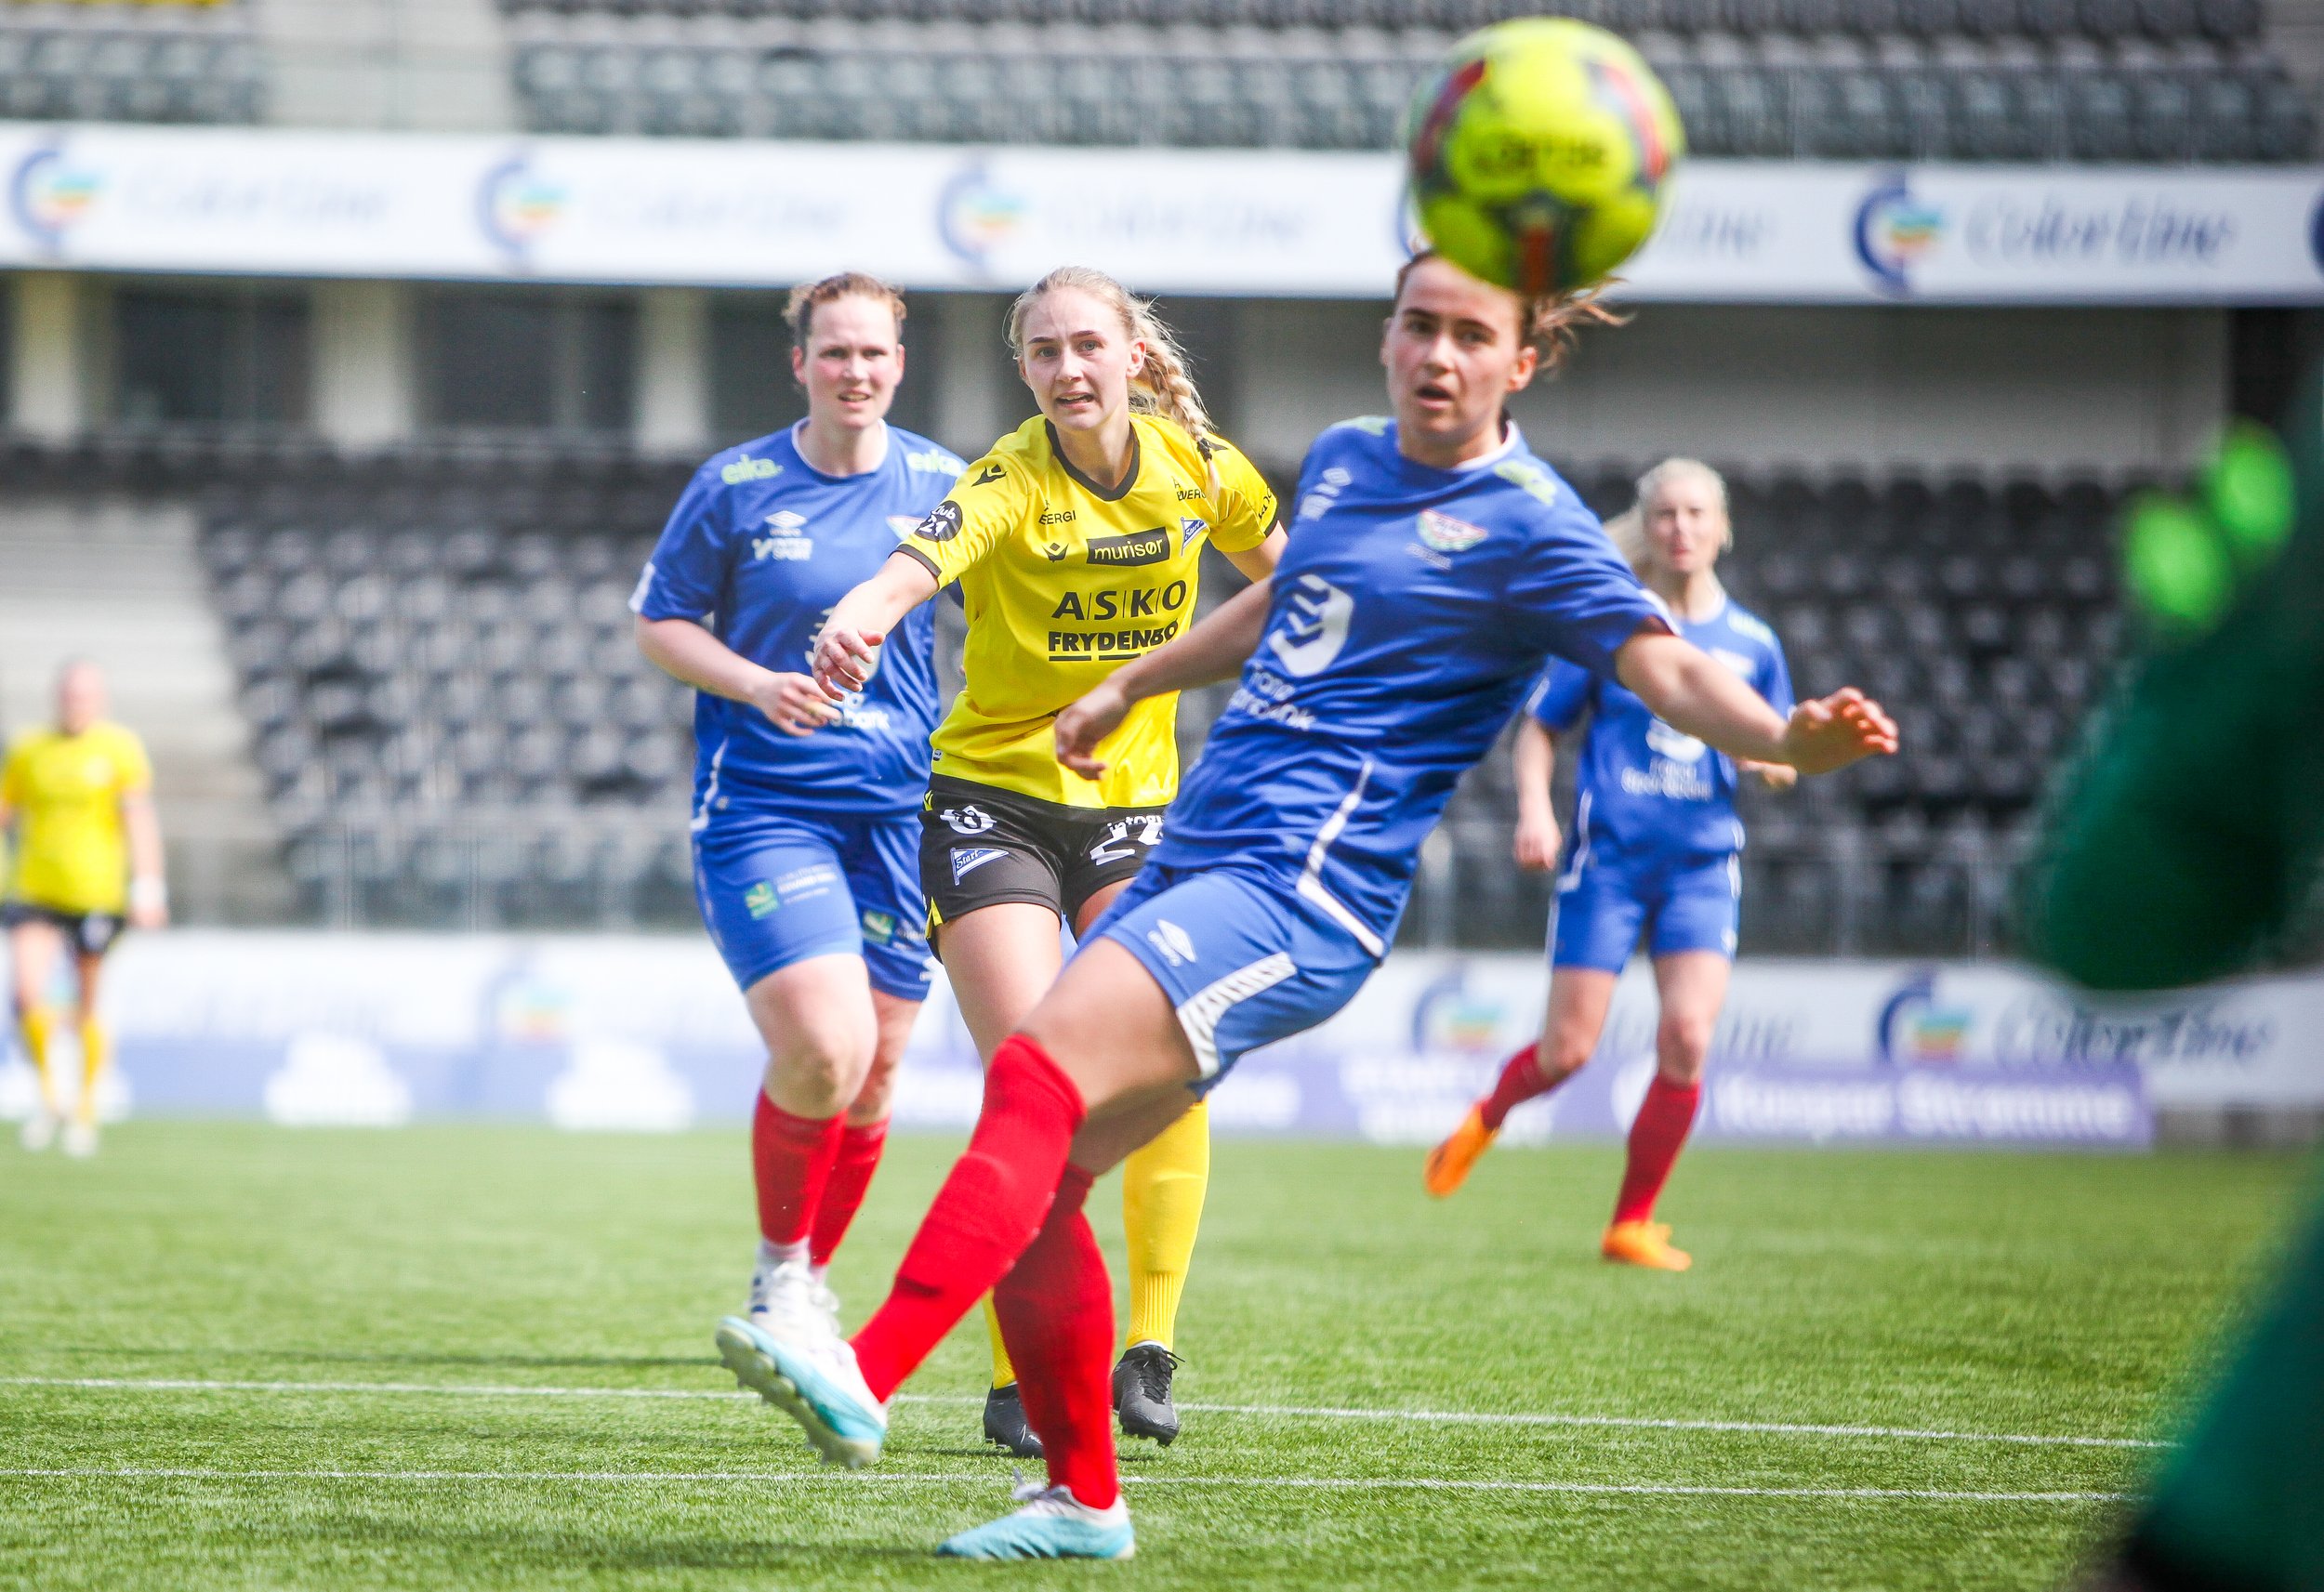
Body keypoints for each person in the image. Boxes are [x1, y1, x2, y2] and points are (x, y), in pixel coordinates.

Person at [736, 251, 1896, 1559]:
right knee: (1044, 1177)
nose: (1438, 354)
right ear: (1386, 340)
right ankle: (1083, 1502)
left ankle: (867, 1372)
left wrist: (1783, 739)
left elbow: (1666, 670)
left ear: (1521, 363)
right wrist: (1130, 685)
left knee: (1037, 1077)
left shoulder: (1534, 524)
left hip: (1301, 888)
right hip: (1203, 847)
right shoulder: (1344, 459)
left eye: (1471, 335)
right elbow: (1285, 600)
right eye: (1418, 326)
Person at [773, 264, 1284, 1457]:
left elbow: (1304, 586)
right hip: (990, 803)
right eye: (1044, 351)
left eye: (1086, 345)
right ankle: (1017, 1376)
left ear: (1133, 357)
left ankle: (1148, 1349)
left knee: (1167, 1064)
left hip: (1134, 805)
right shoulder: (1005, 478)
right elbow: (910, 571)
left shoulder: (1203, 469)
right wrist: (861, 616)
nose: (1067, 369)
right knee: (1032, 1082)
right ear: (1024, 371)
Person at [630, 272, 963, 1356]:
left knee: (874, 1074)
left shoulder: (946, 485)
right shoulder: (735, 486)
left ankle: (807, 1287)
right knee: (827, 1046)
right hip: (768, 807)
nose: (853, 371)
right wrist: (756, 684)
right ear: (799, 364)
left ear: (899, 364)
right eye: (834, 352)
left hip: (900, 815)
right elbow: (659, 623)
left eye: (872, 353)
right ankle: (778, 1275)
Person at [1422, 459, 1795, 1272]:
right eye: (1665, 514)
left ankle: (1632, 1222)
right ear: (1647, 527)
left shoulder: (1754, 645)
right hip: (1609, 866)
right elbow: (1540, 727)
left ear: (1722, 528)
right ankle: (1485, 1118)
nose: (1681, 528)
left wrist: (1775, 762)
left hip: (1702, 868)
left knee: (1687, 1037)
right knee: (1567, 1052)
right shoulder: (1614, 631)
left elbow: (1782, 747)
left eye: (1696, 513)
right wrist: (1535, 808)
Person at [3, 659, 166, 1158]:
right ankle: (51, 1099)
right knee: (28, 994)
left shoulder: (119, 748)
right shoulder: (29, 748)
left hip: (96, 894)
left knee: (87, 1002)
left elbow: (138, 820)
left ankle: (86, 1108)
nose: (77, 703)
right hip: (34, 889)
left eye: (86, 695)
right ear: (58, 696)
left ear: (100, 700)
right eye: (71, 694)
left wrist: (148, 886)